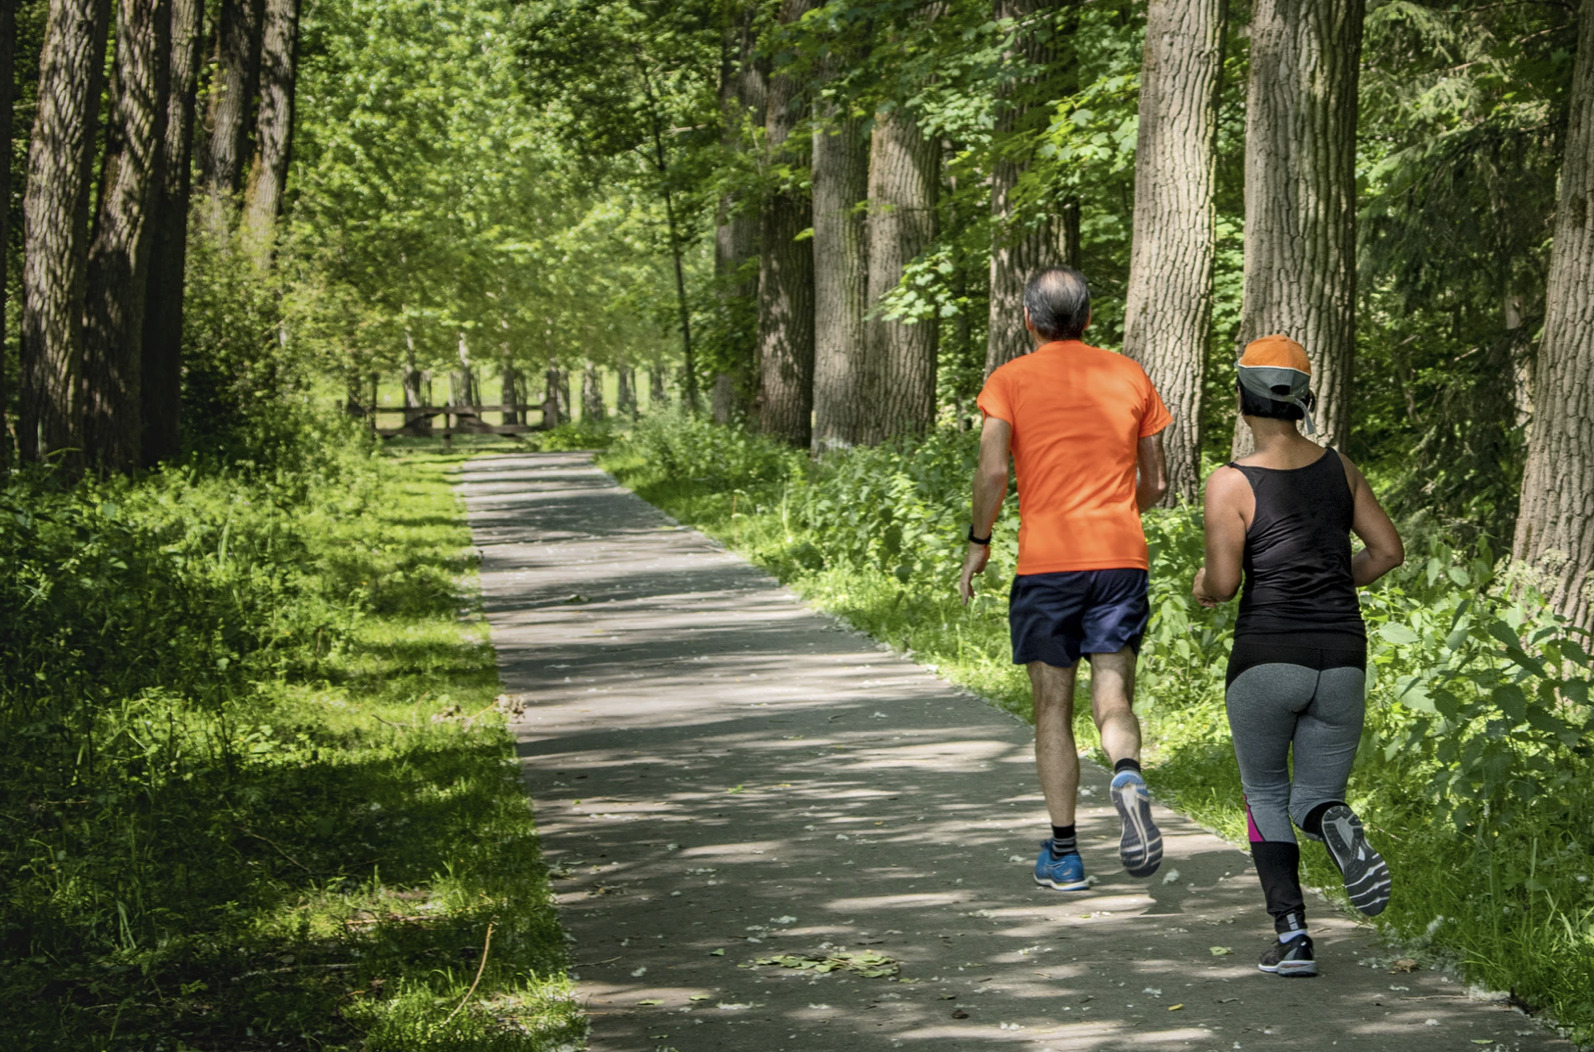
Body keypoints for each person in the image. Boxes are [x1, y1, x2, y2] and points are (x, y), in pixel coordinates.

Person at [1192, 335, 1404, 977]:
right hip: (1341, 656)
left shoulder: (1230, 482)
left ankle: (1292, 939)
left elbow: (1224, 584)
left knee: (1264, 793)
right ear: (1303, 398)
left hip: (1267, 656)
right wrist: (1336, 582)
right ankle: (1333, 819)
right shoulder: (1340, 468)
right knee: (1312, 796)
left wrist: (1201, 586)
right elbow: (1388, 551)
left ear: (1242, 399)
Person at [960, 267, 1171, 891]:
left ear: (1029, 319)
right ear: (1087, 318)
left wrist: (979, 542)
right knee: (1114, 692)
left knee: (1053, 707)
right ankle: (1127, 772)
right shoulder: (1129, 374)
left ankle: (1066, 853)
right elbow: (1155, 483)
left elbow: (994, 474)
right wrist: (1117, 515)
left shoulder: (1008, 381)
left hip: (1047, 565)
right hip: (1119, 560)